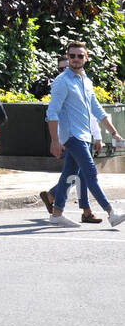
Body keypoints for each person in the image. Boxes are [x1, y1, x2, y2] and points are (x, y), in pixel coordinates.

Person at [44, 40, 125, 227]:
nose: (75, 59)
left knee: (69, 175)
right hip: (72, 137)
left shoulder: (86, 81)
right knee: (91, 173)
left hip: (85, 136)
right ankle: (111, 213)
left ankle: (56, 214)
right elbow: (52, 112)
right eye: (72, 56)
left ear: (86, 58)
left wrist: (114, 133)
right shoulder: (61, 82)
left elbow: (97, 110)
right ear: (68, 57)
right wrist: (55, 141)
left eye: (80, 56)